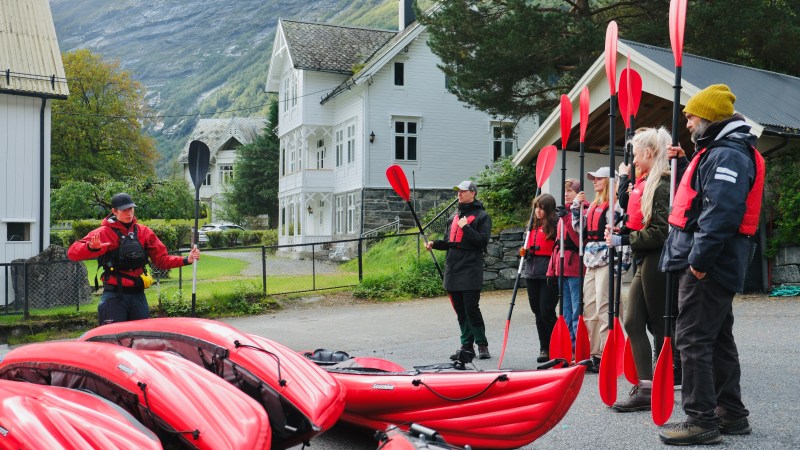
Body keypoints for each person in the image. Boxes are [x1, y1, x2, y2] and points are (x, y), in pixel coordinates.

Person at [658, 84, 764, 445]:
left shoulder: (728, 155)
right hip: (714, 261)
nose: (686, 122)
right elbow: (711, 200)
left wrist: (699, 262)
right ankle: (731, 414)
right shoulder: (722, 152)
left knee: (693, 339)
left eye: (691, 116)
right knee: (716, 338)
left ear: (708, 118)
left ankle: (701, 420)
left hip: (709, 264)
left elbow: (722, 213)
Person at [606, 127, 671, 412]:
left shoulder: (663, 184)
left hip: (658, 259)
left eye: (635, 153)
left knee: (660, 324)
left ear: (648, 153)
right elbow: (643, 222)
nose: (632, 159)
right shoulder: (648, 182)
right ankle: (647, 387)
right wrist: (624, 231)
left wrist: (624, 238)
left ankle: (665, 380)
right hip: (645, 258)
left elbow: (661, 231)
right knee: (632, 321)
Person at [68, 193, 201, 325]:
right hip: (114, 296)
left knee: (141, 338)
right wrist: (91, 248)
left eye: (130, 209)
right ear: (114, 211)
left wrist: (185, 260)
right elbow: (73, 253)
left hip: (138, 296)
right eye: (124, 210)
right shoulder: (103, 232)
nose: (128, 213)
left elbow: (161, 260)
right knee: (114, 340)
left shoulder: (143, 232)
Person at [426, 181, 493, 360]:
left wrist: (466, 227)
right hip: (453, 268)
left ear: (473, 193)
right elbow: (450, 242)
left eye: (463, 191)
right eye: (458, 192)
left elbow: (481, 242)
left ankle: (482, 344)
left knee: (471, 308)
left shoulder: (482, 216)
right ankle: (466, 346)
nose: (459, 194)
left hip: (471, 267)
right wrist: (435, 244)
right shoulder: (453, 217)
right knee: (460, 310)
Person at [572, 167, 621, 373]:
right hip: (591, 259)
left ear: (610, 181)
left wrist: (621, 262)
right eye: (594, 178)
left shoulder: (617, 206)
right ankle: (595, 354)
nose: (594, 181)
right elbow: (579, 229)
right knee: (590, 308)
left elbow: (622, 231)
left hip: (608, 258)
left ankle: (608, 351)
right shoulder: (593, 204)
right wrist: (576, 207)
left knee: (603, 306)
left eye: (599, 178)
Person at [520, 193, 558, 363]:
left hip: (548, 275)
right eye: (536, 207)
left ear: (548, 209)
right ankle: (544, 347)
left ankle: (555, 345)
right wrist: (524, 252)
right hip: (531, 274)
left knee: (546, 312)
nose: (538, 211)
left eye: (541, 208)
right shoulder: (530, 228)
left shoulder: (556, 225)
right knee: (537, 312)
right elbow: (526, 248)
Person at [547, 179, 583, 348]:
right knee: (565, 311)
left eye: (570, 191)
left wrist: (568, 218)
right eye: (565, 191)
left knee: (577, 311)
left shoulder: (581, 211)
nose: (567, 194)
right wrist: (551, 270)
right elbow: (557, 246)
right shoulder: (563, 214)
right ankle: (569, 346)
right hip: (562, 269)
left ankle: (577, 346)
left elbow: (578, 241)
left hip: (576, 269)